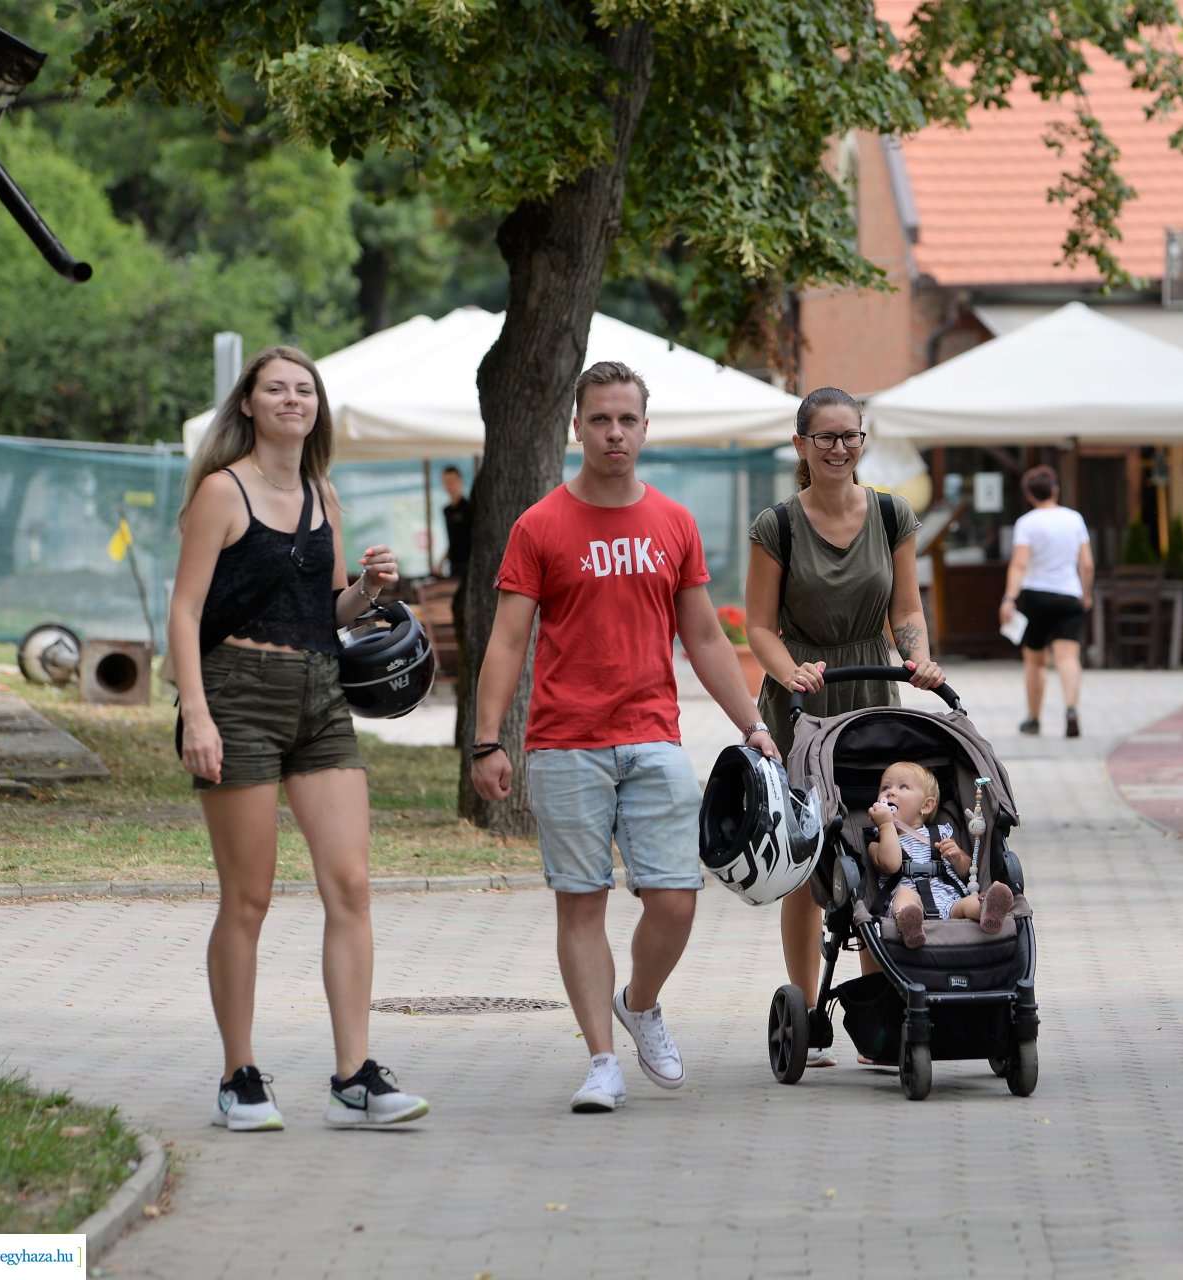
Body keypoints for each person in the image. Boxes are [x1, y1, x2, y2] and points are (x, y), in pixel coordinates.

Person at [471, 360, 778, 1114]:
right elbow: (509, 640)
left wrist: (753, 724)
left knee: (675, 898)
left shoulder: (672, 521)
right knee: (580, 901)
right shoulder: (539, 525)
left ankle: (638, 1002)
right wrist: (486, 740)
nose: (614, 432)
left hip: (653, 736)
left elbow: (704, 636)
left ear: (646, 427)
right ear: (577, 426)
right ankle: (601, 1061)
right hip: (564, 741)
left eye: (627, 419)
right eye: (601, 419)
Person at [168, 345, 429, 1132]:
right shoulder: (221, 491)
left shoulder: (323, 495)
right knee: (247, 898)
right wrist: (197, 713)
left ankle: (353, 1077)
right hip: (235, 695)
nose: (291, 399)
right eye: (275, 388)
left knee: (349, 886)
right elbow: (183, 612)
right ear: (247, 404)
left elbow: (324, 613)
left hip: (320, 697)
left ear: (317, 408)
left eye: (303, 390)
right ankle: (237, 1076)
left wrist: (367, 593)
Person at [744, 387, 946, 1065]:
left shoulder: (892, 515)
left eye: (849, 436)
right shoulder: (777, 525)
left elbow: (907, 610)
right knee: (811, 862)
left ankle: (876, 1017)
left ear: (864, 439)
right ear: (801, 445)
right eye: (824, 437)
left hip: (874, 692)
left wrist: (918, 659)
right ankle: (807, 1015)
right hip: (804, 700)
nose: (838, 448)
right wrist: (790, 670)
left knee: (876, 846)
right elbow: (757, 627)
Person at [866, 762, 1015, 948]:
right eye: (885, 787)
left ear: (926, 806)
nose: (890, 792)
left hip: (949, 900)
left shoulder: (942, 833)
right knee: (905, 895)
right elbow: (891, 864)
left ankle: (988, 911)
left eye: (902, 787)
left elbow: (968, 871)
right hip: (910, 900)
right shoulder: (878, 841)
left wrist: (958, 857)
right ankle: (911, 924)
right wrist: (886, 825)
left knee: (967, 903)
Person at [997, 465, 1093, 737]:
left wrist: (1009, 598)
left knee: (1035, 661)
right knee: (1068, 657)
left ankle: (1033, 718)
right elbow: (1086, 564)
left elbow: (1019, 564)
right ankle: (1071, 709)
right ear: (1055, 490)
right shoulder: (1074, 519)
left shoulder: (1027, 523)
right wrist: (1085, 593)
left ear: (1030, 495)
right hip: (1069, 595)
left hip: (1035, 596)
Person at [435, 465, 472, 580]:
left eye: (452, 481)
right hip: (454, 565)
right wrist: (442, 561)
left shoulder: (470, 508)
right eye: (446, 481)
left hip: (470, 564)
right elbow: (453, 540)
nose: (449, 485)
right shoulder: (446, 510)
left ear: (460, 481)